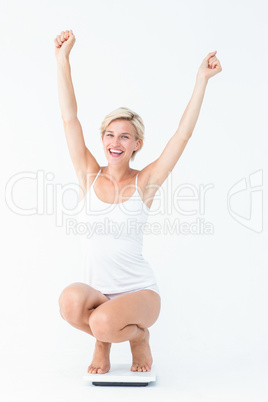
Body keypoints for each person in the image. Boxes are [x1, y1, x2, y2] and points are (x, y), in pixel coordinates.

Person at [54, 30, 222, 375]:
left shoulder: (145, 183)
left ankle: (132, 337)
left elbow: (182, 135)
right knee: (70, 303)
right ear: (103, 139)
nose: (116, 142)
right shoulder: (88, 174)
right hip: (97, 294)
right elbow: (70, 119)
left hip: (140, 294)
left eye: (125, 136)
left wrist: (201, 80)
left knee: (101, 323)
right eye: (110, 135)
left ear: (137, 145)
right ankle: (107, 334)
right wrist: (62, 60)